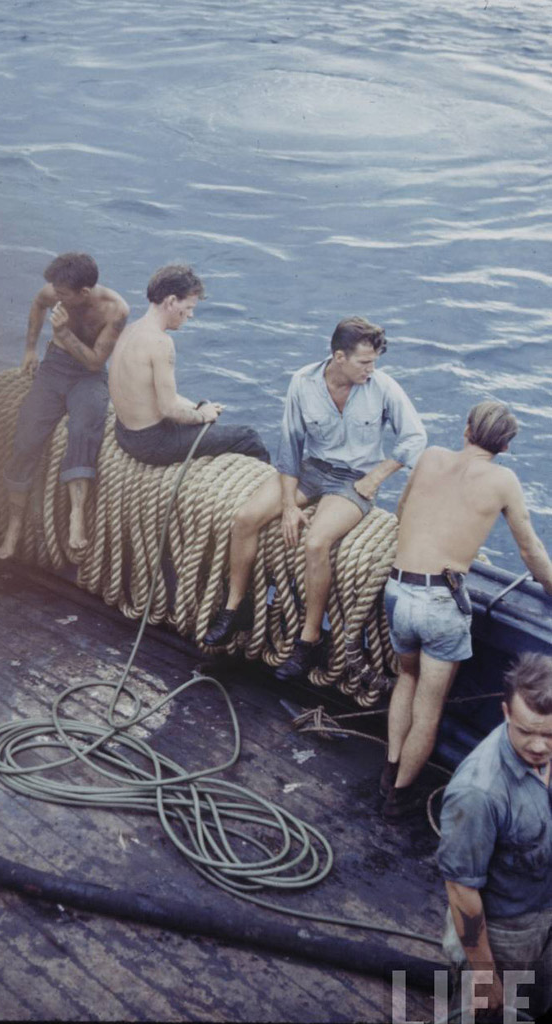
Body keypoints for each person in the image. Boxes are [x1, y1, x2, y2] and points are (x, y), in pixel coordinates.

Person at [203, 316, 427, 679]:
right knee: (245, 519)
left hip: (353, 480)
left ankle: (309, 639)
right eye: (364, 362)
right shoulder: (302, 382)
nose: (371, 369)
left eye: (374, 362)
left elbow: (415, 437)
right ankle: (235, 609)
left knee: (316, 543)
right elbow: (290, 445)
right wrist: (289, 505)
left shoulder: (383, 387)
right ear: (339, 357)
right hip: (311, 469)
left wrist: (376, 476)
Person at [381, 401, 552, 821]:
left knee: (406, 677)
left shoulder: (431, 456)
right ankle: (399, 796)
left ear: (467, 430)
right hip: (440, 605)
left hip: (398, 590)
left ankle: (389, 769)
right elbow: (530, 550)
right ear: (505, 446)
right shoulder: (503, 480)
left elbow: (402, 511)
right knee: (429, 706)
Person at [437, 652, 552, 1023]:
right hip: (505, 933)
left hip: (545, 914)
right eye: (526, 732)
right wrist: (485, 975)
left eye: (549, 735)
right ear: (505, 712)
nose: (539, 746)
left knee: (533, 1004)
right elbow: (461, 890)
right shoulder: (477, 793)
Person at [0, 253, 129, 558]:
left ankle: (76, 514)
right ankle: (15, 525)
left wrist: (64, 333)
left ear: (84, 292)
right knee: (26, 437)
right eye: (56, 291)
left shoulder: (115, 309)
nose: (57, 297)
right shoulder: (54, 291)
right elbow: (38, 303)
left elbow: (95, 362)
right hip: (55, 366)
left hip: (88, 375)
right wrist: (30, 349)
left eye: (63, 294)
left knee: (83, 429)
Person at [109, 264, 270, 466]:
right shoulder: (161, 343)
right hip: (151, 444)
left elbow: (152, 393)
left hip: (124, 434)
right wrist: (202, 416)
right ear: (171, 301)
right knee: (248, 437)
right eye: (189, 308)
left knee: (203, 409)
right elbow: (169, 409)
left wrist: (196, 407)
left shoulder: (130, 330)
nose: (191, 315)